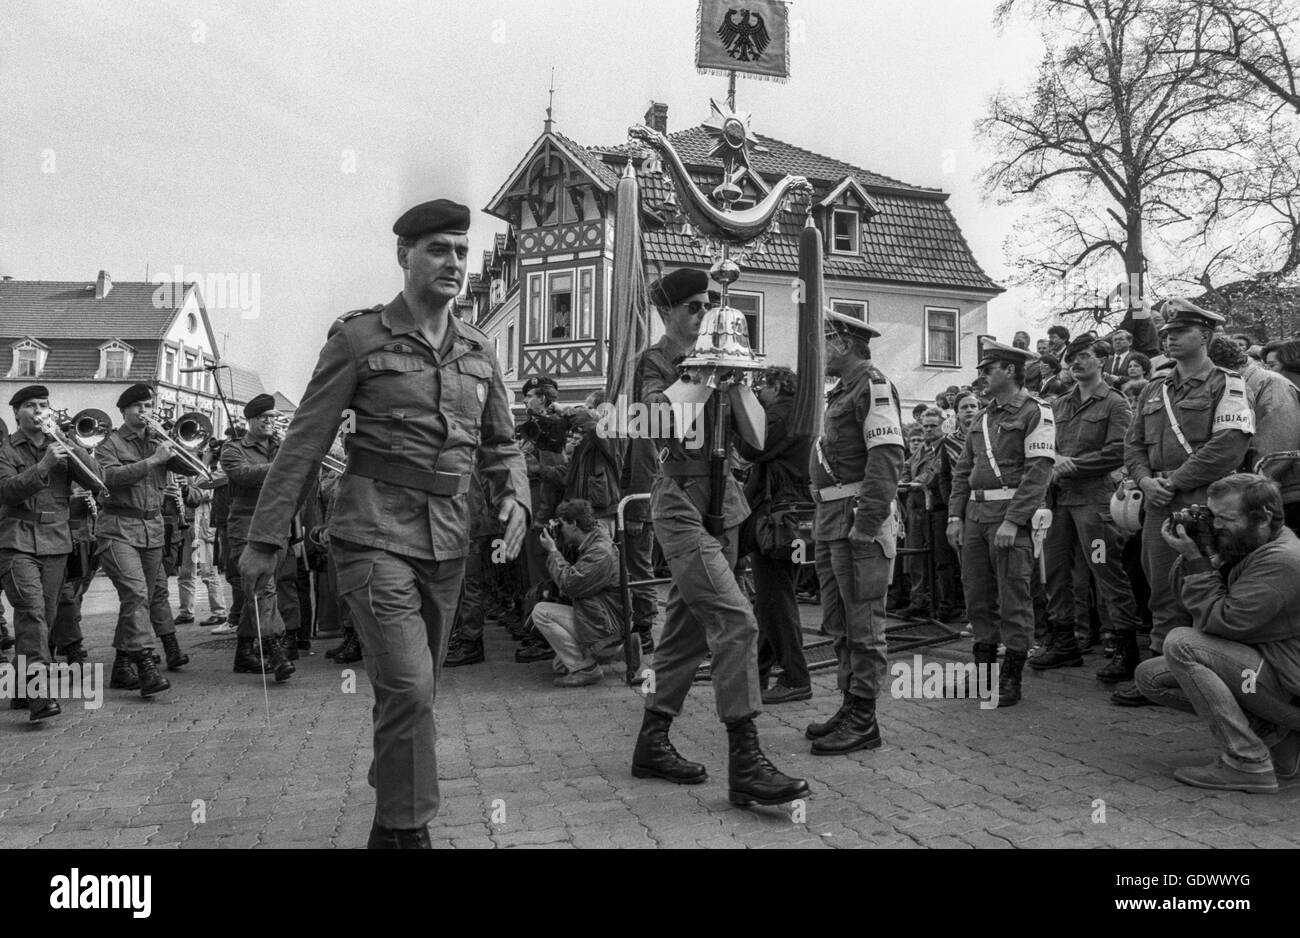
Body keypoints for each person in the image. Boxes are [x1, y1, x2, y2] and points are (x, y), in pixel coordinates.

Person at [240, 198, 529, 849]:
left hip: (449, 545)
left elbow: (501, 444)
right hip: (373, 538)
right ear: (405, 256)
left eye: (461, 249)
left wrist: (517, 498)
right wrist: (265, 538)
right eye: (438, 249)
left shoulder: (479, 349)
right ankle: (408, 831)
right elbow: (305, 443)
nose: (453, 261)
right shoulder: (358, 340)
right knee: (409, 684)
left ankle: (386, 819)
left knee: (411, 694)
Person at [629, 268, 809, 806]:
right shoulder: (655, 361)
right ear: (667, 313)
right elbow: (657, 424)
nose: (701, 314)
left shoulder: (727, 363)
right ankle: (746, 758)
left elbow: (754, 439)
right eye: (691, 307)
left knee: (684, 634)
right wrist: (705, 370)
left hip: (725, 505)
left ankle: (652, 740)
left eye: (707, 306)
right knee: (736, 620)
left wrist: (739, 377)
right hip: (680, 500)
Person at [1119, 299, 1254, 706]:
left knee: (1205, 584)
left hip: (1207, 500)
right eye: (1167, 333)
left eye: (1180, 331)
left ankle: (1206, 678)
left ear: (1206, 336)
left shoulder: (1227, 384)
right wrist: (1145, 480)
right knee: (1161, 586)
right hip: (1159, 499)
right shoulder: (1154, 388)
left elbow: (1228, 447)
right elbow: (1133, 445)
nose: (1170, 338)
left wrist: (1173, 481)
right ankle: (1161, 672)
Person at [1134, 474, 1300, 792]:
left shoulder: (1283, 561)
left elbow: (1222, 624)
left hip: (1291, 685)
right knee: (1150, 677)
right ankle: (1281, 740)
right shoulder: (1251, 544)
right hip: (1274, 671)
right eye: (1212, 516)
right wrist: (1198, 552)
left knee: (1182, 644)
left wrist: (1199, 562)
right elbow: (1184, 605)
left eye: (1225, 518)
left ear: (1263, 516)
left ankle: (1248, 761)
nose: (1216, 526)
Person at [805, 312, 905, 752]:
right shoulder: (841, 392)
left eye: (824, 340)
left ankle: (865, 717)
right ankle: (851, 703)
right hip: (832, 519)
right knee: (839, 623)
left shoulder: (873, 385)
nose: (818, 349)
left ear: (844, 343)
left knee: (864, 622)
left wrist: (866, 524)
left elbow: (886, 459)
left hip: (857, 518)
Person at [947, 340, 1055, 706]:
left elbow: (1038, 472)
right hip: (976, 518)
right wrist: (954, 515)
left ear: (1009, 370)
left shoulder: (1036, 412)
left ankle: (1011, 679)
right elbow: (964, 470)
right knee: (977, 596)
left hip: (1009, 518)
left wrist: (1014, 521)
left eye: (988, 369)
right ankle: (983, 674)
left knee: (1014, 598)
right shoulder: (983, 417)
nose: (982, 376)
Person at [1032, 334, 1144, 679]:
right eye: (1072, 357)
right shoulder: (1060, 404)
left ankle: (1126, 649)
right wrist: (1055, 461)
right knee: (1055, 572)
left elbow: (1118, 451)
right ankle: (1065, 642)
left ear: (1101, 360)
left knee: (1104, 570)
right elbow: (1044, 444)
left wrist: (1073, 464)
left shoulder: (1115, 403)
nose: (1076, 362)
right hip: (1060, 500)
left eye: (1084, 356)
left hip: (1094, 501)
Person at [95, 384, 201, 696]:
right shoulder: (108, 444)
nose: (145, 411)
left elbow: (194, 469)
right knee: (136, 594)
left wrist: (172, 445)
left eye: (149, 406)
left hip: (152, 530)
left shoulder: (158, 441)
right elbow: (110, 478)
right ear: (124, 411)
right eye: (139, 407)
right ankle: (145, 665)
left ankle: (121, 666)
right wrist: (154, 460)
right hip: (118, 529)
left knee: (140, 598)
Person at [0, 386, 98, 720]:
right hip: (17, 541)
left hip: (56, 542)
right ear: (17, 413)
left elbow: (98, 481)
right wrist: (43, 465)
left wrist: (72, 447)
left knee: (48, 617)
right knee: (32, 612)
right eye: (30, 406)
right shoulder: (5, 449)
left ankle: (18, 684)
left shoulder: (61, 445)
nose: (39, 411)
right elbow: (8, 491)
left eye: (43, 405)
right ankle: (39, 692)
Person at [737, 365, 813, 705]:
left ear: (777, 386)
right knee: (772, 596)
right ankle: (760, 669)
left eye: (760, 386)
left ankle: (796, 676)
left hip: (779, 517)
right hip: (790, 517)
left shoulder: (782, 415)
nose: (757, 392)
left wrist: (742, 409)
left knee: (776, 597)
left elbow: (752, 448)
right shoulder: (796, 413)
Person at [221, 394, 298, 681]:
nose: (271, 422)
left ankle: (243, 652)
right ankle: (275, 650)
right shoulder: (233, 448)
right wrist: (283, 463)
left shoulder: (282, 446)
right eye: (265, 418)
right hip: (247, 526)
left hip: (277, 524)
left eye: (273, 417)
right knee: (263, 589)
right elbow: (243, 475)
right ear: (251, 420)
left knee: (260, 588)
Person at [1208, 336, 1300, 532]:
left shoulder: (1270, 384)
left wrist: (1244, 494)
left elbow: (1274, 452)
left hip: (1280, 498)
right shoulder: (1237, 384)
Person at [532, 498, 623, 687]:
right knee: (560, 666)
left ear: (574, 524)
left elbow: (570, 585)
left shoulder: (600, 552)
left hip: (606, 625)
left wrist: (553, 552)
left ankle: (587, 670)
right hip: (601, 616)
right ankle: (625, 649)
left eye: (562, 525)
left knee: (541, 612)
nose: (560, 529)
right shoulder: (591, 539)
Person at [898, 407, 955, 620]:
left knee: (941, 560)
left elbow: (933, 473)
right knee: (915, 558)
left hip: (936, 508)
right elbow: (907, 467)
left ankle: (945, 605)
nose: (929, 430)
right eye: (926, 426)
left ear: (942, 425)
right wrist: (905, 482)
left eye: (933, 425)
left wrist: (914, 483)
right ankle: (918, 600)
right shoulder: (922, 448)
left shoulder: (945, 447)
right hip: (916, 507)